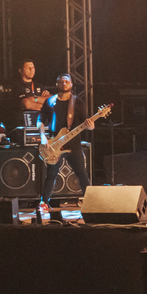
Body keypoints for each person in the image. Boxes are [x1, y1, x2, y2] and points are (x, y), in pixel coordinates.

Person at [38, 73, 94, 211]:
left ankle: (91, 202)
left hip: (73, 145)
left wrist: (91, 126)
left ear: (71, 84)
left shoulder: (77, 102)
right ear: (57, 84)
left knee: (82, 174)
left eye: (67, 82)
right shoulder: (50, 101)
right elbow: (40, 120)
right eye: (61, 82)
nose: (64, 84)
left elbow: (88, 123)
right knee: (51, 175)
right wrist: (43, 137)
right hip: (54, 144)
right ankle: (44, 203)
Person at [12, 59, 50, 123]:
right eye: (28, 68)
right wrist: (43, 104)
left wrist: (34, 99)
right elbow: (26, 104)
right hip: (24, 123)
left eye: (33, 67)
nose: (31, 70)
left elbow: (50, 100)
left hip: (40, 122)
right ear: (20, 71)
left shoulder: (39, 85)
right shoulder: (17, 86)